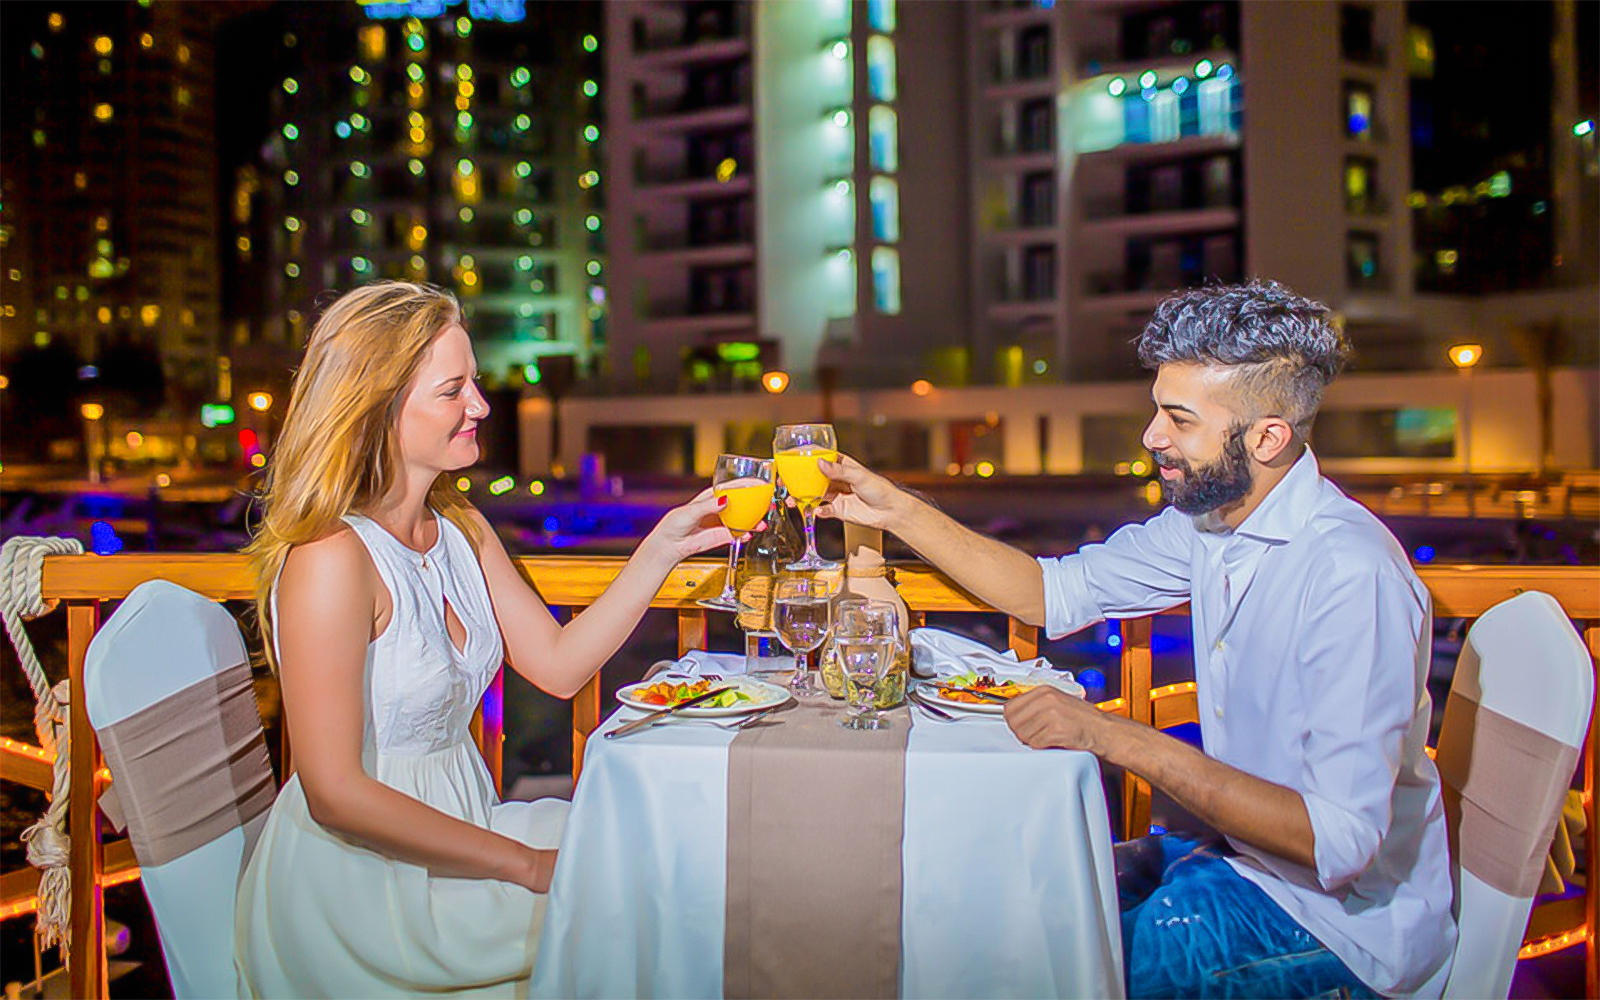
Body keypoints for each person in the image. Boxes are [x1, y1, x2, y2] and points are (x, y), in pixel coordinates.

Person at [814, 281, 1454, 998]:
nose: (1151, 436)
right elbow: (1046, 592)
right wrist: (896, 509)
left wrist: (1112, 735)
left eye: (1178, 419)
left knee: (1045, 972)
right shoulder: (1212, 525)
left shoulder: (1348, 575)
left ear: (1268, 437)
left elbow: (1338, 844)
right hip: (1240, 864)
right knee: (1005, 910)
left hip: (1344, 931)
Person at [235, 282, 744, 997]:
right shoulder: (330, 559)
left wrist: (662, 549)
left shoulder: (461, 528)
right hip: (364, 885)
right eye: (453, 389)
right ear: (379, 407)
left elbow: (560, 667)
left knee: (659, 856)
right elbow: (336, 795)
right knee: (631, 911)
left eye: (474, 382)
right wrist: (525, 865)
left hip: (465, 829)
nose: (480, 404)